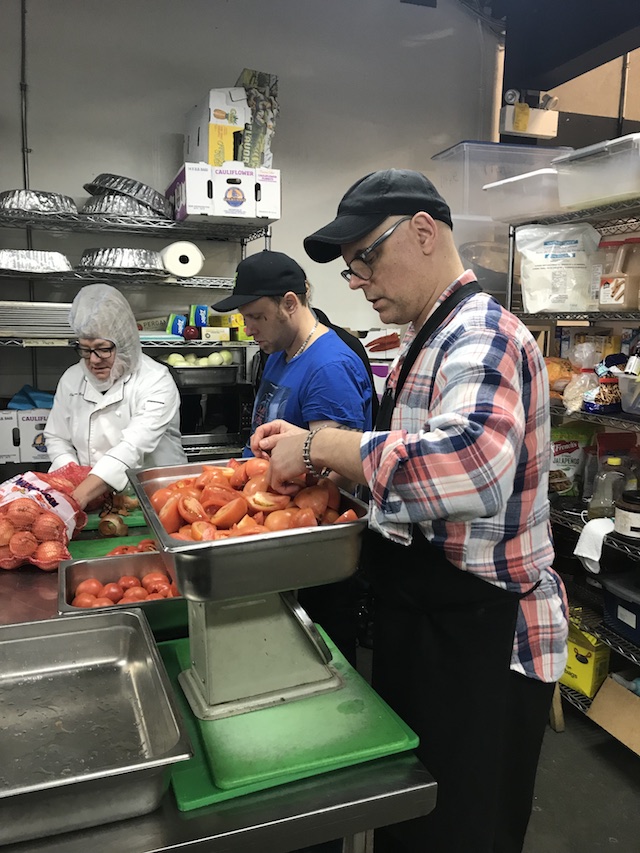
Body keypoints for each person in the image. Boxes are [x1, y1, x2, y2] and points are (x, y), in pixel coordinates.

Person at [250, 169, 569, 853]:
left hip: (483, 640)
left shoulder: (485, 335)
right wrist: (320, 473)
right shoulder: (423, 343)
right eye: (349, 268)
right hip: (427, 626)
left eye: (365, 257)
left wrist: (323, 443)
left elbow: (471, 466)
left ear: (423, 232)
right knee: (413, 824)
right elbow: (412, 491)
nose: (357, 279)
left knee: (462, 831)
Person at [212, 250, 373, 665]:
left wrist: (269, 512)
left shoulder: (329, 367)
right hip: (277, 537)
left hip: (309, 556)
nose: (248, 329)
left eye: (256, 317)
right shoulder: (280, 354)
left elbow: (336, 479)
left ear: (289, 303)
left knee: (321, 658)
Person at [45, 283, 187, 509]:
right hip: (91, 499)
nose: (93, 360)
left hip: (156, 501)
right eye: (85, 349)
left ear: (124, 342)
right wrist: (73, 476)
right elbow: (56, 437)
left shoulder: (156, 380)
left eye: (103, 348)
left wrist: (77, 497)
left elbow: (132, 447)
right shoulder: (72, 379)